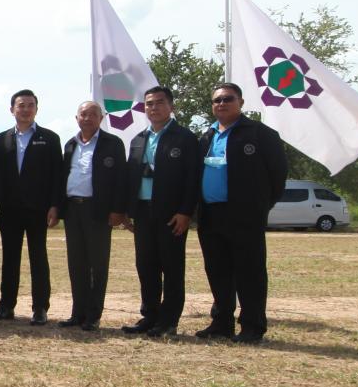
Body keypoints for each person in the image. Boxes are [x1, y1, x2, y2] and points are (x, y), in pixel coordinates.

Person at [196, 82, 288, 344]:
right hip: (211, 215)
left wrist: (260, 206)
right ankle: (221, 322)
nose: (222, 104)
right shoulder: (207, 136)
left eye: (228, 99)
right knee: (217, 270)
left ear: (241, 102)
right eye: (217, 100)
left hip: (245, 216)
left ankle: (252, 326)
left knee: (250, 272)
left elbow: (278, 175)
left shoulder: (260, 134)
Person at [122, 86, 199, 338]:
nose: (153, 108)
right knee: (146, 265)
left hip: (171, 213)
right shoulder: (138, 139)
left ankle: (169, 320)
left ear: (171, 106)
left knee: (172, 267)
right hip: (143, 211)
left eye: (159, 103)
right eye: (149, 104)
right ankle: (150, 316)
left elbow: (193, 178)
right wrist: (128, 210)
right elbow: (131, 175)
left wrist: (186, 211)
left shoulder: (184, 138)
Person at [0, 89, 62, 325]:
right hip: (9, 210)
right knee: (9, 259)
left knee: (38, 259)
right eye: (21, 105)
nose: (26, 109)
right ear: (12, 109)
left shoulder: (50, 138)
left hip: (38, 209)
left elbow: (57, 176)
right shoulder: (1, 139)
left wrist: (55, 205)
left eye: (30, 105)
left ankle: (40, 307)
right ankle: (6, 305)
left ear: (36, 109)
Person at [56, 101, 129, 332]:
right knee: (76, 264)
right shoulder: (70, 144)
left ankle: (93, 315)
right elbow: (62, 178)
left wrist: (118, 210)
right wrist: (57, 207)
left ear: (101, 118)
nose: (87, 118)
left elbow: (121, 180)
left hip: (97, 211)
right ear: (76, 118)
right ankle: (77, 313)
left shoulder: (112, 143)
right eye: (83, 114)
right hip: (73, 210)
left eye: (92, 115)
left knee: (97, 265)